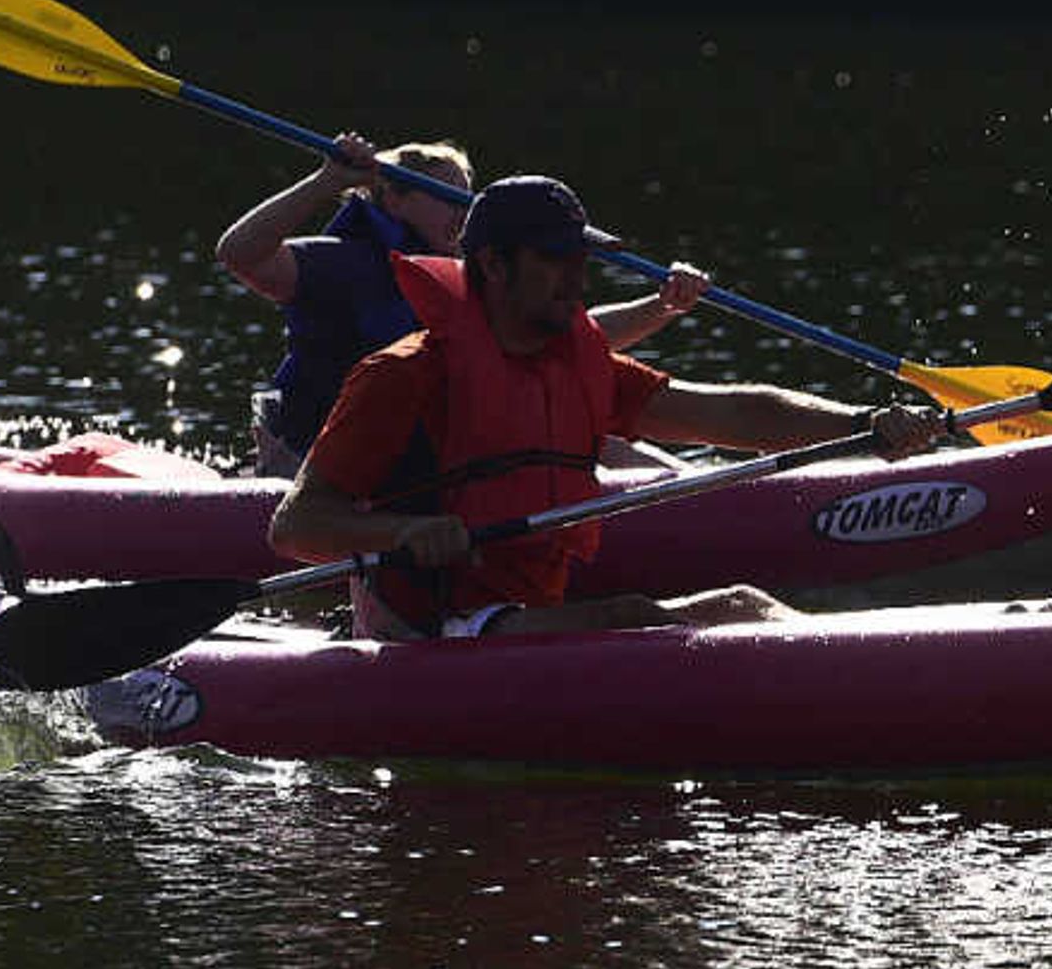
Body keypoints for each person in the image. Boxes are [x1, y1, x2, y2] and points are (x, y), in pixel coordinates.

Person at [268, 174, 951, 637]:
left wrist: (861, 424)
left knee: (741, 602)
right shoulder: (404, 374)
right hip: (433, 625)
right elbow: (295, 526)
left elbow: (730, 412)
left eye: (579, 259)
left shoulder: (575, 361)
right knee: (630, 612)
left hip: (524, 612)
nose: (577, 277)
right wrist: (399, 533)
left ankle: (916, 659)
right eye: (554, 259)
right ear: (494, 268)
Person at [215, 136, 707, 475]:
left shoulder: (472, 276)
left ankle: (722, 496)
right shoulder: (342, 264)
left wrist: (662, 305)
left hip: (423, 455)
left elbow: (575, 333)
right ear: (393, 199)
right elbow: (239, 253)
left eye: (468, 198)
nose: (464, 211)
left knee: (598, 442)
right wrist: (327, 181)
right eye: (446, 195)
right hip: (318, 458)